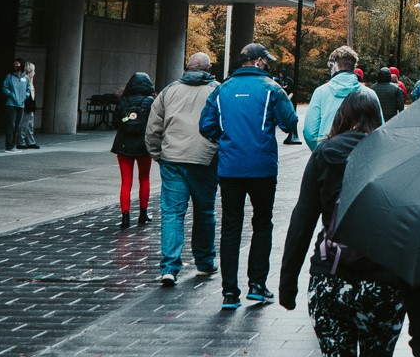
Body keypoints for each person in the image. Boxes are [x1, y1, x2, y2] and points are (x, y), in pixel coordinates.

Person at [279, 89, 406, 357]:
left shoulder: (325, 155)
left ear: (342, 116)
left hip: (331, 280)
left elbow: (301, 219)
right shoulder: (392, 153)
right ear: (377, 118)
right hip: (382, 281)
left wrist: (287, 281)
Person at [199, 43, 299, 310]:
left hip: (230, 168)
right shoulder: (272, 89)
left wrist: (226, 140)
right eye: (265, 61)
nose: (267, 65)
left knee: (231, 226)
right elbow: (290, 123)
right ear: (256, 61)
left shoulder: (222, 89)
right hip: (262, 166)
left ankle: (229, 292)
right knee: (262, 223)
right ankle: (257, 285)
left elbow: (205, 125)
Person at [146, 52, 220, 286]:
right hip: (205, 160)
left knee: (172, 213)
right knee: (205, 212)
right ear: (208, 69)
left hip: (173, 159)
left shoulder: (169, 91)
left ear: (187, 67)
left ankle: (169, 267)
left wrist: (159, 155)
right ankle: (205, 263)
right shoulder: (218, 90)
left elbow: (152, 129)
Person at [111, 72, 156, 229]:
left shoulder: (123, 100)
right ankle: (143, 213)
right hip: (143, 145)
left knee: (126, 181)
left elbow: (115, 122)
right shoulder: (151, 101)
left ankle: (125, 216)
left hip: (123, 144)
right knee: (144, 179)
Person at [303, 46, 368, 151]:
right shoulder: (369, 94)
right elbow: (377, 129)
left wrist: (320, 152)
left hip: (328, 153)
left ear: (334, 66)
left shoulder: (321, 92)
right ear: (354, 67)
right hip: (359, 156)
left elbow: (310, 132)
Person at [1, 58, 29, 153]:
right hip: (11, 104)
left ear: (21, 65)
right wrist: (11, 95)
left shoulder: (26, 77)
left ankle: (13, 145)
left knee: (17, 126)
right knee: (11, 125)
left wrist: (25, 96)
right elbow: (4, 88)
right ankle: (9, 146)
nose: (15, 65)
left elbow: (28, 89)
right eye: (14, 64)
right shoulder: (9, 76)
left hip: (21, 105)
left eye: (17, 64)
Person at [18, 62, 39, 150]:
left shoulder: (30, 80)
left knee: (29, 124)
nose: (34, 72)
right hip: (26, 104)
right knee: (24, 124)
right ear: (30, 71)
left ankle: (30, 141)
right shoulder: (25, 79)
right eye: (33, 70)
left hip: (30, 104)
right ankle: (21, 142)